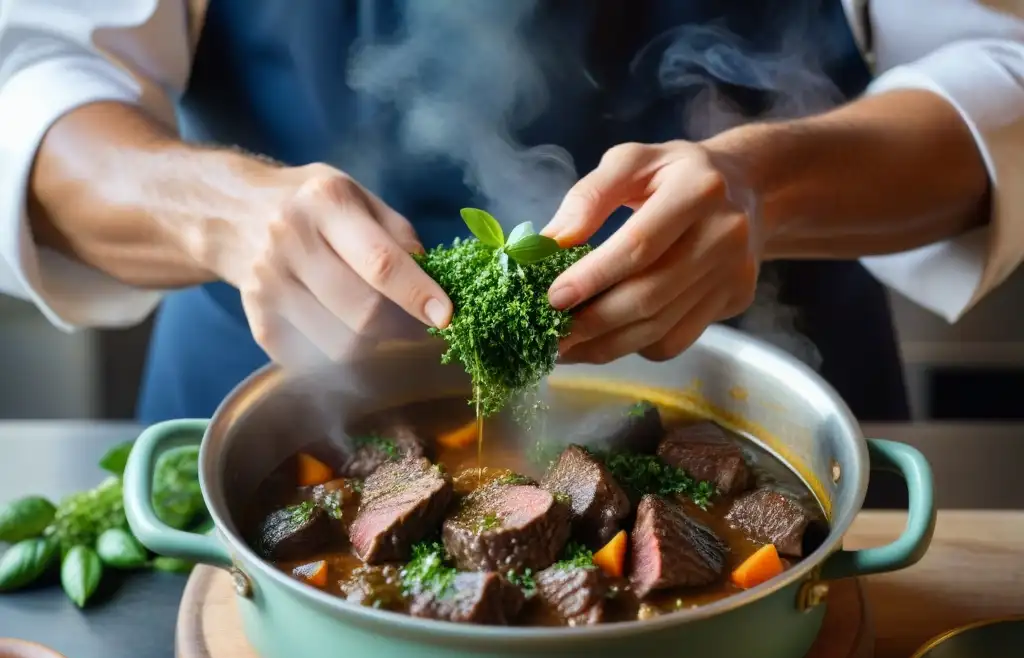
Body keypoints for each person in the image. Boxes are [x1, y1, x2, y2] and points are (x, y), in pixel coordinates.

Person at [0, 1, 1021, 424]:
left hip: (766, 382)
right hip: (275, 385)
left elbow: (1000, 66)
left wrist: (765, 188)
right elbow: (29, 74)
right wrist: (219, 212)